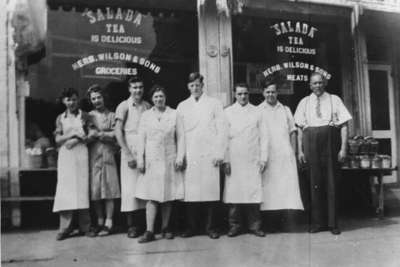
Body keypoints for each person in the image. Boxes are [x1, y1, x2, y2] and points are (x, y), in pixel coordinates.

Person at [294, 72, 352, 235]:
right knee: (314, 183)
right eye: (314, 83)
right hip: (310, 144)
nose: (317, 86)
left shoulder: (335, 99)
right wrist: (300, 150)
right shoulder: (304, 102)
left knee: (331, 183)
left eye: (320, 83)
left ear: (325, 83)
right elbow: (299, 128)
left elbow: (344, 126)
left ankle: (333, 223)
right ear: (309, 85)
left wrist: (343, 148)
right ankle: (317, 223)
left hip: (330, 143)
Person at [176, 72, 225, 239]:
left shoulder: (214, 104)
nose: (195, 88)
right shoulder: (182, 106)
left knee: (210, 193)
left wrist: (219, 153)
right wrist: (180, 156)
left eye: (197, 85)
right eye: (192, 85)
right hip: (191, 154)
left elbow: (222, 130)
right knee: (191, 194)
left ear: (202, 85)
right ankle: (191, 227)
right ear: (188, 87)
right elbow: (180, 134)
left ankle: (211, 228)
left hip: (210, 154)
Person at [135, 85, 185, 243]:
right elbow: (140, 139)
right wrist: (140, 160)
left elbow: (181, 137)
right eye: (156, 97)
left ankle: (165, 228)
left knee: (168, 196)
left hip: (169, 158)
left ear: (166, 98)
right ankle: (149, 230)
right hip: (152, 160)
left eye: (161, 96)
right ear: (152, 99)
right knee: (152, 197)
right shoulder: (146, 116)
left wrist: (180, 157)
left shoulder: (174, 114)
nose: (159, 99)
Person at [258, 79, 304, 231]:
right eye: (268, 92)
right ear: (263, 93)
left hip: (284, 155)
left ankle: (284, 223)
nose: (270, 94)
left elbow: (293, 132)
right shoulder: (258, 110)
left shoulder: (285, 110)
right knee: (269, 190)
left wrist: (293, 152)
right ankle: (269, 224)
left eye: (273, 91)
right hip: (267, 156)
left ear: (277, 92)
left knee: (285, 189)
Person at [223, 83, 267, 237]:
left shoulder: (257, 112)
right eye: (240, 94)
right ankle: (235, 225)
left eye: (246, 94)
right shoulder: (227, 112)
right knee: (235, 195)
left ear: (249, 94)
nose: (243, 97)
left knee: (253, 194)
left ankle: (255, 226)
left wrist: (263, 159)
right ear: (235, 94)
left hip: (252, 158)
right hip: (234, 159)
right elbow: (223, 138)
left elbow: (264, 137)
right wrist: (226, 160)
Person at [53, 88, 96, 241]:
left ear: (78, 100)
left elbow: (92, 134)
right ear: (64, 101)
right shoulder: (60, 118)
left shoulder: (85, 116)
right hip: (66, 156)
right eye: (68, 99)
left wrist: (77, 140)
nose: (71, 102)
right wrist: (72, 134)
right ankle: (65, 228)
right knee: (66, 190)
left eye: (74, 99)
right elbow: (57, 139)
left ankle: (86, 226)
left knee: (82, 189)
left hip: (81, 154)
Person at [115, 76, 151, 238]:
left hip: (145, 149)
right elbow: (118, 131)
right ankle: (132, 226)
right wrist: (127, 153)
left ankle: (145, 224)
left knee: (144, 187)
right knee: (130, 188)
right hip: (129, 148)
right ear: (129, 89)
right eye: (134, 87)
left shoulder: (147, 105)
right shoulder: (124, 106)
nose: (138, 90)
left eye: (140, 87)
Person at [87, 84, 121, 236]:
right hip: (94, 156)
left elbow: (116, 134)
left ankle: (109, 222)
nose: (96, 101)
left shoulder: (112, 116)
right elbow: (87, 135)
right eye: (93, 98)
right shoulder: (88, 116)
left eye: (99, 97)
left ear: (104, 98)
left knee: (109, 190)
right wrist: (103, 134)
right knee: (95, 191)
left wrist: (101, 134)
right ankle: (99, 221)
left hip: (108, 155)